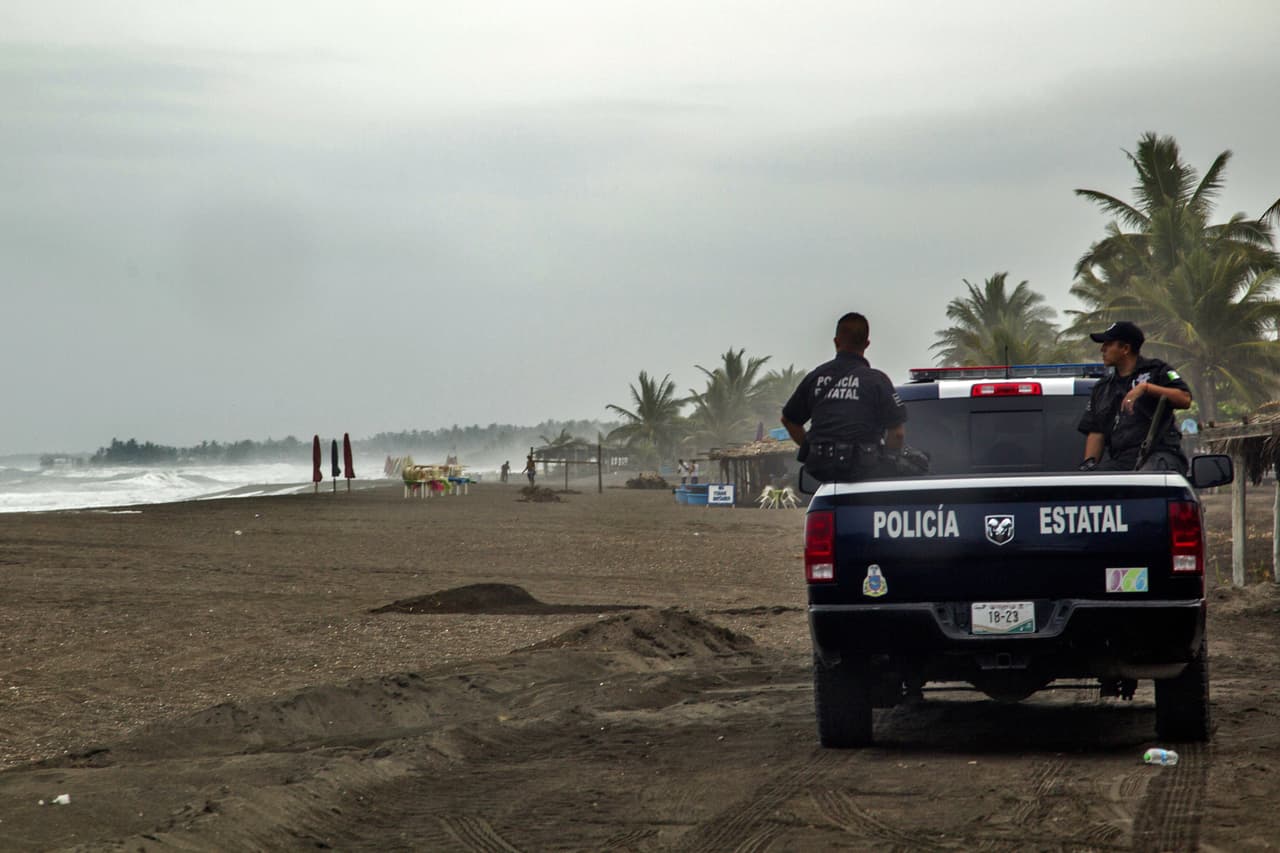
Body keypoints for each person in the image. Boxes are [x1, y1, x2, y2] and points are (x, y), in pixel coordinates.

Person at [781, 312, 908, 482]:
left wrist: (811, 449)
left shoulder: (816, 377)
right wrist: (888, 464)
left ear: (836, 341)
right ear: (867, 344)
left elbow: (789, 420)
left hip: (824, 475)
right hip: (867, 475)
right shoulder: (877, 381)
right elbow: (897, 434)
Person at [1078, 321, 1192, 472]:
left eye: (1108, 344)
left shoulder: (1157, 371)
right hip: (1122, 461)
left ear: (1125, 348)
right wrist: (1088, 467)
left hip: (1159, 455)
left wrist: (1146, 388)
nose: (1102, 349)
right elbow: (1096, 432)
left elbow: (1184, 399)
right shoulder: (1102, 388)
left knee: (1147, 481)